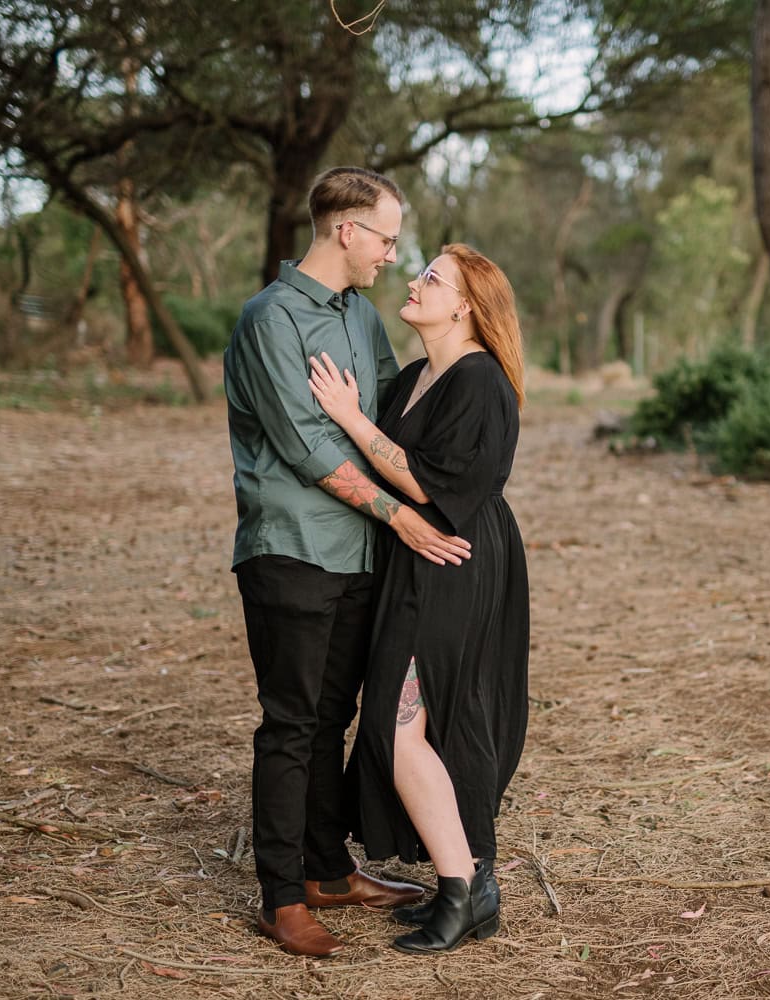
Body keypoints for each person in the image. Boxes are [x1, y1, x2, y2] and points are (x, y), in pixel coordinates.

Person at [223, 167, 473, 959]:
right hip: (292, 550)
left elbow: (388, 413)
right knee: (293, 724)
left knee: (335, 717)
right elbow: (307, 447)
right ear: (345, 231)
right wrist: (403, 516)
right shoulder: (270, 320)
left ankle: (329, 869)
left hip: (361, 556)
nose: (393, 255)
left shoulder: (360, 317)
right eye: (387, 239)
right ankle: (281, 895)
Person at [308, 243, 530, 953]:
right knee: (416, 728)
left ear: (465, 306)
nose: (414, 280)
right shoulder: (415, 379)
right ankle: (471, 887)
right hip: (418, 557)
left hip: (454, 558)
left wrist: (350, 416)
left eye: (431, 277)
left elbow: (429, 482)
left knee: (400, 729)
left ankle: (463, 893)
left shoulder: (479, 382)